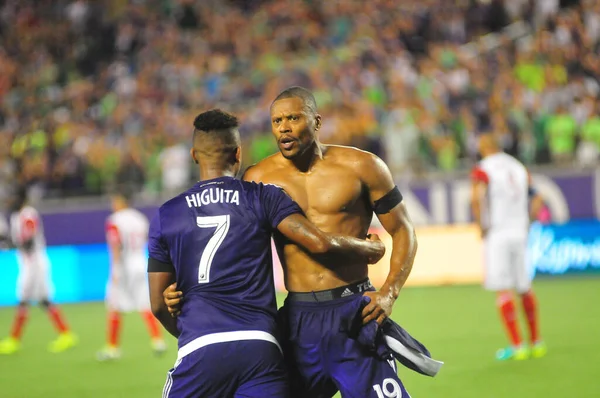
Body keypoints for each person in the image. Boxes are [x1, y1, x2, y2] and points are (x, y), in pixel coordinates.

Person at [166, 87, 419, 398]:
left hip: (354, 312)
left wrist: (389, 293)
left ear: (316, 121)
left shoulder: (364, 166)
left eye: (293, 118)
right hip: (298, 320)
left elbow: (404, 230)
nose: (283, 127)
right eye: (276, 121)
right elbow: (225, 245)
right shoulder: (257, 179)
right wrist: (180, 289)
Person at [470, 133, 547, 361]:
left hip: (498, 232)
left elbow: (476, 198)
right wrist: (528, 221)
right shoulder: (518, 167)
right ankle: (536, 342)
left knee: (503, 289)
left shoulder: (483, 169)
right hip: (519, 231)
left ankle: (517, 346)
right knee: (524, 286)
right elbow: (538, 198)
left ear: (485, 146)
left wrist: (481, 225)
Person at [0, 187, 77, 355]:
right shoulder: (15, 217)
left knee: (24, 299)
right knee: (43, 300)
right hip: (27, 263)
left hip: (35, 263)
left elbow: (29, 240)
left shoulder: (28, 215)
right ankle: (66, 333)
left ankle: (14, 339)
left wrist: (10, 244)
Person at [97, 191, 166, 361]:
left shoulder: (115, 220)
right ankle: (158, 341)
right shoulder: (139, 218)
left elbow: (116, 244)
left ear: (121, 201)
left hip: (124, 265)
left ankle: (112, 348)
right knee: (144, 303)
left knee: (114, 304)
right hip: (140, 262)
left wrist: (115, 269)